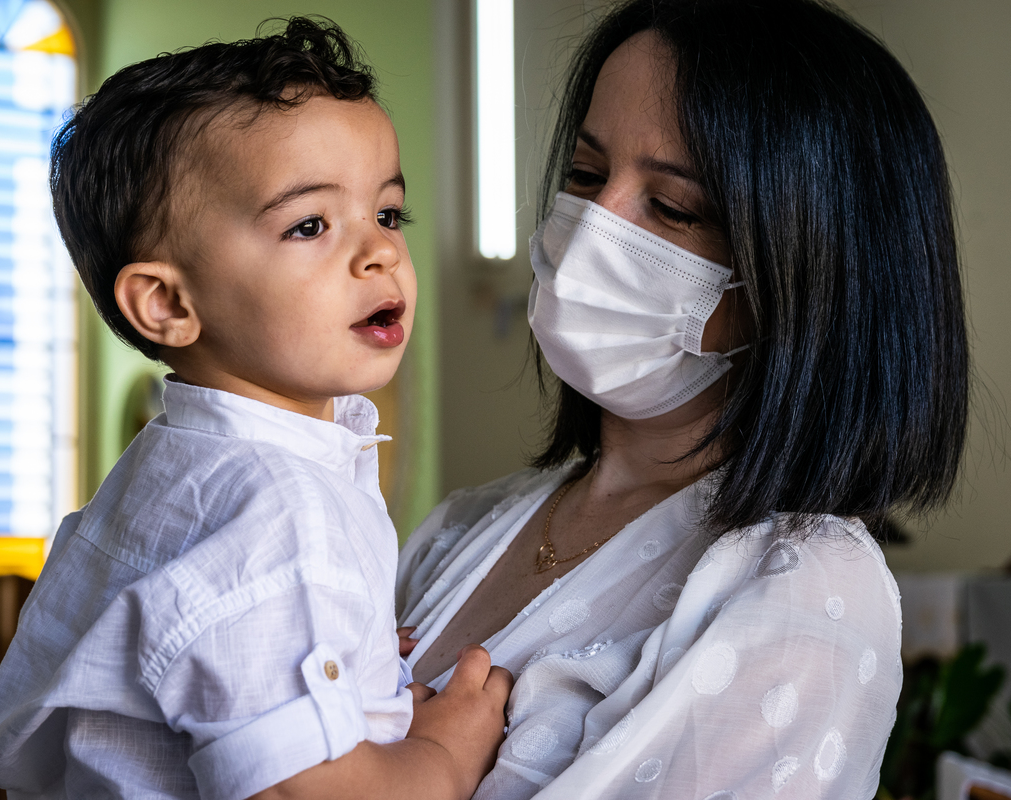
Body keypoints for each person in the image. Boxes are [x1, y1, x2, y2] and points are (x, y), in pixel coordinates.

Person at [397, 0, 967, 797]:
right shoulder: (460, 527)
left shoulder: (801, 587)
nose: (595, 228)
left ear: (808, 272)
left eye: (672, 209)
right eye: (586, 175)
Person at [0, 18, 511, 800]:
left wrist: (338, 662)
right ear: (166, 303)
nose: (381, 252)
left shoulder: (169, 467)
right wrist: (445, 754)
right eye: (310, 224)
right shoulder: (281, 510)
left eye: (388, 214)